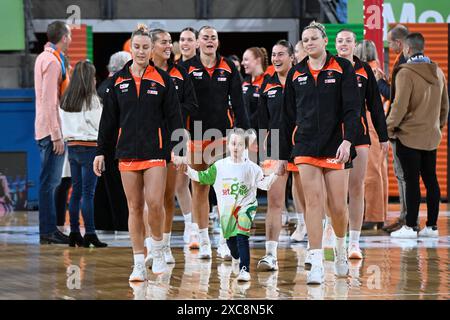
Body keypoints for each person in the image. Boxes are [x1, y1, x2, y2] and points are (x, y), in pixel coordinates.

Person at [94, 24, 184, 281]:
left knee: (155, 204)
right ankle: (137, 263)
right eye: (137, 47)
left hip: (156, 152)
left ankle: (157, 251)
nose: (142, 51)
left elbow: (175, 118)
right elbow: (108, 122)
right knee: (134, 207)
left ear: (152, 49)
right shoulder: (116, 82)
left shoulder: (163, 80)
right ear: (131, 48)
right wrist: (101, 152)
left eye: (146, 47)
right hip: (127, 154)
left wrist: (178, 149)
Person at [278, 21, 360, 284]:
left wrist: (348, 141)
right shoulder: (295, 74)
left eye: (314, 38)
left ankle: (339, 251)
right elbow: (286, 116)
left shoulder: (343, 68)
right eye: (305, 39)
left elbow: (352, 109)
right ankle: (314, 260)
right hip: (304, 145)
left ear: (325, 41)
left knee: (337, 207)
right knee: (313, 203)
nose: (309, 43)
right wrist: (281, 155)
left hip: (336, 144)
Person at [180, 25, 250, 259]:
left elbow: (239, 103)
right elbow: (179, 105)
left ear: (217, 42)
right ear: (197, 43)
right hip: (195, 136)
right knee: (199, 190)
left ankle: (224, 240)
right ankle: (203, 241)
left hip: (222, 137)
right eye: (205, 37)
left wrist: (244, 132)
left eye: (213, 37)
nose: (209, 41)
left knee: (225, 191)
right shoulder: (186, 68)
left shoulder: (229, 67)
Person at [183, 128, 278, 282]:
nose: (236, 147)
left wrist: (275, 174)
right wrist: (186, 169)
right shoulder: (219, 166)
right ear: (228, 146)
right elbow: (200, 177)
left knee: (242, 236)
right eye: (233, 143)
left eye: (240, 144)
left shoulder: (252, 168)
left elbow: (265, 185)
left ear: (245, 147)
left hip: (246, 208)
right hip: (228, 213)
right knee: (232, 242)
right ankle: (235, 256)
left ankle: (244, 269)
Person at [387, 33, 449, 239]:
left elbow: (399, 107)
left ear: (407, 49)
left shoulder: (405, 73)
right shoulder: (438, 72)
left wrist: (388, 129)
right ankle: (431, 227)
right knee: (431, 180)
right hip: (431, 136)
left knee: (411, 181)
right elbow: (445, 107)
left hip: (408, 136)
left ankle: (411, 226)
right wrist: (436, 127)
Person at [145, 28, 198, 265]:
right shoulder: (141, 72)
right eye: (164, 42)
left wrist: (172, 112)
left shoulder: (180, 73)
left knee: (168, 195)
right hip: (145, 140)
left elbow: (192, 104)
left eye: (170, 42)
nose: (169, 46)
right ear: (152, 46)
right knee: (148, 199)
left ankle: (165, 245)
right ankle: (149, 245)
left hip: (173, 137)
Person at [335, 29, 388, 259]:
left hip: (360, 135)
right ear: (333, 44)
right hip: (332, 137)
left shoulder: (365, 70)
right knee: (335, 193)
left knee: (357, 187)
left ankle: (354, 243)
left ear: (355, 45)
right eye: (340, 41)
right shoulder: (327, 66)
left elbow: (375, 105)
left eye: (348, 40)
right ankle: (334, 235)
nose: (344, 44)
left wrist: (384, 137)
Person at [257, 40, 305, 271]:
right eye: (273, 55)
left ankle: (314, 251)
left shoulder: (302, 81)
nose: (276, 59)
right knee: (274, 202)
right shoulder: (267, 84)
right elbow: (261, 121)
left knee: (310, 201)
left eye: (281, 55)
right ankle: (270, 254)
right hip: (275, 145)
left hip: (302, 145)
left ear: (292, 57)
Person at [60, 60, 107, 248]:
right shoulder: (93, 100)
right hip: (90, 148)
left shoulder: (65, 99)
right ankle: (90, 233)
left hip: (72, 148)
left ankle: (73, 233)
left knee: (76, 192)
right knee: (88, 193)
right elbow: (100, 126)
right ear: (90, 78)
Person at [34, 21, 72, 244]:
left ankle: (49, 230)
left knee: (49, 182)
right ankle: (48, 231)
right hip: (51, 132)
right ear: (64, 37)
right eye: (69, 36)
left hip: (45, 128)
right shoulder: (52, 61)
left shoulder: (44, 57)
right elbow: (49, 101)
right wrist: (57, 134)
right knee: (50, 183)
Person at [375, 24, 411, 233]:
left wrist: (380, 82)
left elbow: (395, 96)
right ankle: (404, 217)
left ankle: (407, 219)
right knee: (402, 175)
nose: (389, 46)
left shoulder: (404, 63)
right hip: (404, 127)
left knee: (404, 175)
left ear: (399, 42)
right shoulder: (404, 62)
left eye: (390, 42)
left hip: (401, 128)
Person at [94, 51, 131, 233]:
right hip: (114, 143)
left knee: (103, 186)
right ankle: (122, 224)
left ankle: (104, 223)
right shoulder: (116, 86)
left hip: (104, 143)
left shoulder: (102, 86)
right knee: (118, 187)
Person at [354, 40, 389, 230]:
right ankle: (379, 214)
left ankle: (372, 215)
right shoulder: (378, 71)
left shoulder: (368, 72)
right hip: (377, 121)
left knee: (371, 171)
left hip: (369, 121)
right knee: (380, 170)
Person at [242, 47, 269, 130]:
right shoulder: (244, 82)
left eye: (246, 59)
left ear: (257, 60)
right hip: (244, 134)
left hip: (262, 135)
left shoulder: (269, 82)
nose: (242, 63)